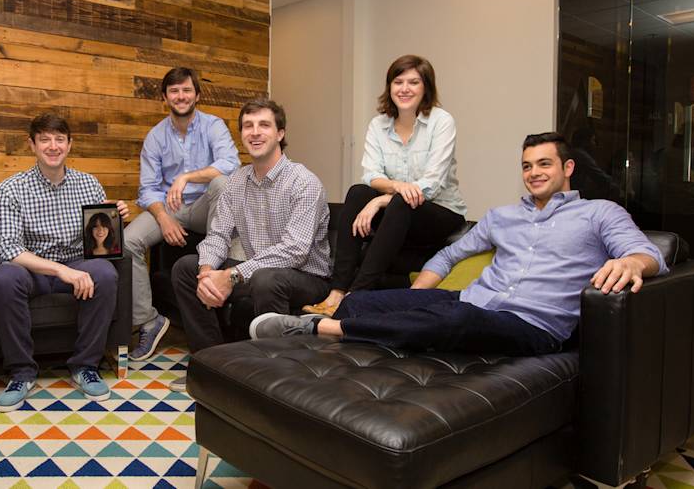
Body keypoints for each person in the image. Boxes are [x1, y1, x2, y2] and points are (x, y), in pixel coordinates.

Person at [251, 132, 669, 357]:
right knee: (363, 301)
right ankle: (346, 328)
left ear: (568, 167)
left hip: (533, 324)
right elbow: (451, 253)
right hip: (472, 300)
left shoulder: (599, 213)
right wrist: (416, 296)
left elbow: (649, 254)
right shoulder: (502, 216)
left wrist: (632, 263)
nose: (534, 173)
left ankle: (318, 328)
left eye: (545, 164)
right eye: (527, 166)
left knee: (456, 321)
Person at [170, 99, 331, 392]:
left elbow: (295, 250)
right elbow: (218, 235)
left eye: (264, 125)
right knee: (186, 268)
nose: (255, 132)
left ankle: (273, 381)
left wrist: (232, 275)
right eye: (248, 126)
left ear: (280, 133)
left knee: (267, 279)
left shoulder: (304, 182)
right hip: (257, 272)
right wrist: (206, 274)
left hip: (307, 277)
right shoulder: (236, 181)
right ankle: (212, 367)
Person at [304, 55, 466, 317]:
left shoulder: (441, 121)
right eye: (398, 82)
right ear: (389, 86)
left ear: (426, 87)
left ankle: (356, 297)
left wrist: (380, 200)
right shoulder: (379, 125)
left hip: (441, 213)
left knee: (400, 201)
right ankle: (336, 292)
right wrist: (393, 188)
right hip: (400, 213)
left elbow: (431, 184)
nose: (404, 89)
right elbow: (371, 175)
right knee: (358, 192)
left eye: (413, 82)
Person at [0, 113, 130, 412]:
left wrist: (115, 218)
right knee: (3, 277)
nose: (53, 146)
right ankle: (21, 373)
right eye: (45, 140)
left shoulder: (89, 184)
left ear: (69, 144)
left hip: (77, 263)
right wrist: (60, 271)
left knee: (104, 273)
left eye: (59, 139)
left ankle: (85, 366)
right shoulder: (12, 188)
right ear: (32, 145)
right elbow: (6, 248)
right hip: (31, 270)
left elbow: (100, 240)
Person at [124, 67, 240, 362]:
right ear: (165, 98)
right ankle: (149, 320)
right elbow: (147, 189)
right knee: (128, 241)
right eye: (174, 91)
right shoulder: (155, 136)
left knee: (222, 183)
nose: (181, 96)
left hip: (205, 204)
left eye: (187, 90)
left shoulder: (213, 126)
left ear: (197, 95)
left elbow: (231, 164)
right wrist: (164, 218)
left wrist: (186, 177)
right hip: (170, 207)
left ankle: (214, 275)